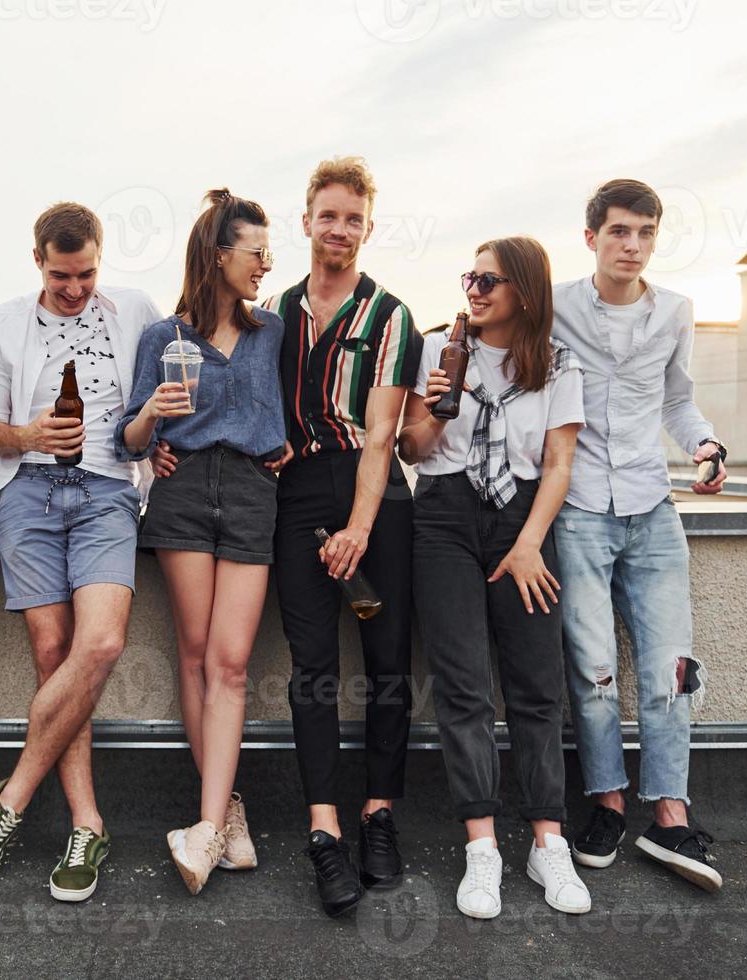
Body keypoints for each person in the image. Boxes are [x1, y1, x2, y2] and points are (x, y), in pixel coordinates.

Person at [0, 202, 162, 903]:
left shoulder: (134, 309)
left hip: (106, 492)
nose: (74, 288)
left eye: (86, 273)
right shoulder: (6, 322)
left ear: (100, 259)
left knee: (99, 646)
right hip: (29, 494)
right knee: (52, 653)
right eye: (60, 274)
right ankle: (86, 822)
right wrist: (30, 436)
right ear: (37, 261)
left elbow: (164, 393)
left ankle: (10, 799)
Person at [398, 237, 591, 919]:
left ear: (525, 292)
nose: (474, 290)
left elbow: (559, 463)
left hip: (521, 522)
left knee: (539, 685)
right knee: (464, 686)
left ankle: (548, 841)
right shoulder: (435, 350)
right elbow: (413, 451)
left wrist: (531, 544)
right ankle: (483, 848)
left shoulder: (557, 364)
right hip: (445, 517)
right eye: (470, 277)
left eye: (490, 280)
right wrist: (432, 406)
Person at [553, 178, 727, 893]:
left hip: (654, 511)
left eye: (645, 233)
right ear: (591, 236)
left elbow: (678, 400)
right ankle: (606, 804)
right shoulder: (557, 305)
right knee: (593, 671)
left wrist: (707, 446)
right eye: (620, 231)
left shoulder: (676, 311)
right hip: (581, 509)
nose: (633, 245)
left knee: (670, 670)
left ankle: (670, 813)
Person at [261, 156, 421, 917]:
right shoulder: (275, 311)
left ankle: (378, 813)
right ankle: (324, 829)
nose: (340, 229)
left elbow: (385, 431)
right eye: (328, 215)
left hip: (375, 494)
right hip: (296, 496)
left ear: (367, 226)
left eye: (353, 218)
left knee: (388, 661)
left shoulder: (389, 315)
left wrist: (359, 526)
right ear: (306, 222)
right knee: (312, 665)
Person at [115, 189, 286, 895]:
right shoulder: (163, 338)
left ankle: (210, 826)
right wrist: (154, 415)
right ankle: (223, 814)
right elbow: (128, 437)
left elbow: (302, 408)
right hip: (182, 493)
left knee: (231, 661)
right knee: (192, 655)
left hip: (250, 494)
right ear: (220, 255)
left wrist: (286, 449)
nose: (266, 264)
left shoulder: (274, 331)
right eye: (256, 252)